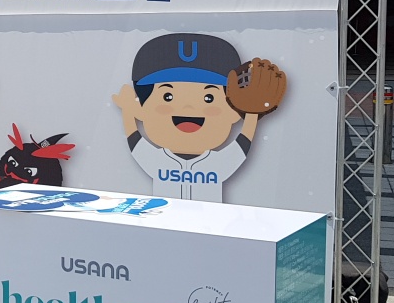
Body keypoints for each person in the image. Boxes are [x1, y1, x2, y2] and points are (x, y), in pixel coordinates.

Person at [111, 34, 286, 203]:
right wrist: (127, 111)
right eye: (168, 96)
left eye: (209, 98)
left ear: (233, 112)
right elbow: (135, 141)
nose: (188, 108)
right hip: (166, 218)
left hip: (208, 221)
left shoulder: (218, 163)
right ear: (141, 109)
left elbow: (242, 144)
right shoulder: (157, 160)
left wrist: (251, 114)